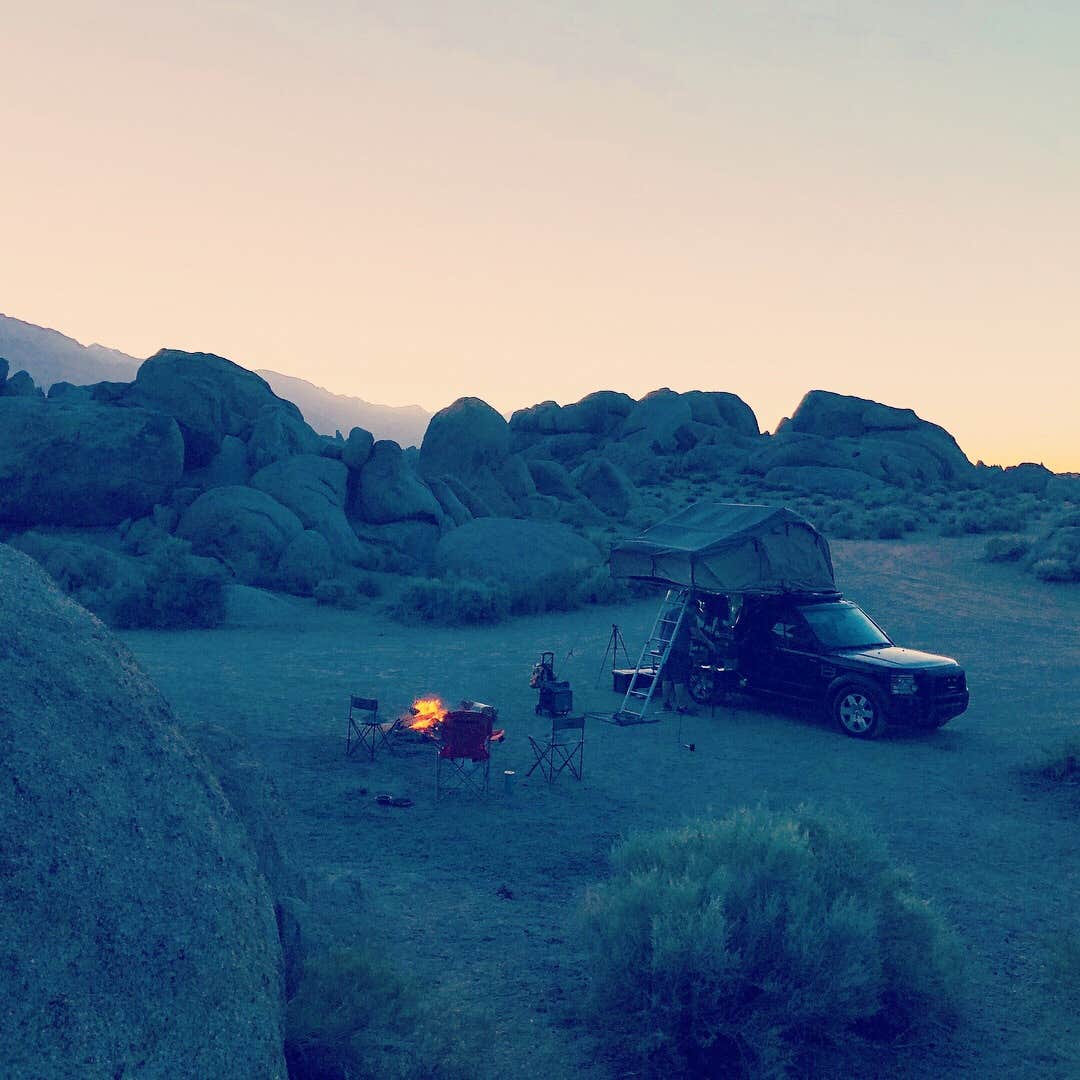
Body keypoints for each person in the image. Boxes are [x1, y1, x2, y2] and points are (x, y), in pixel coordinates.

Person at [662, 608, 695, 713]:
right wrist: (709, 642)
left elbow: (662, 628)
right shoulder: (689, 615)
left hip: (666, 647)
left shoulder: (670, 611)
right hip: (679, 649)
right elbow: (695, 632)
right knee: (678, 678)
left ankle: (666, 703)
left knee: (667, 677)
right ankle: (681, 706)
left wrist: (661, 645)